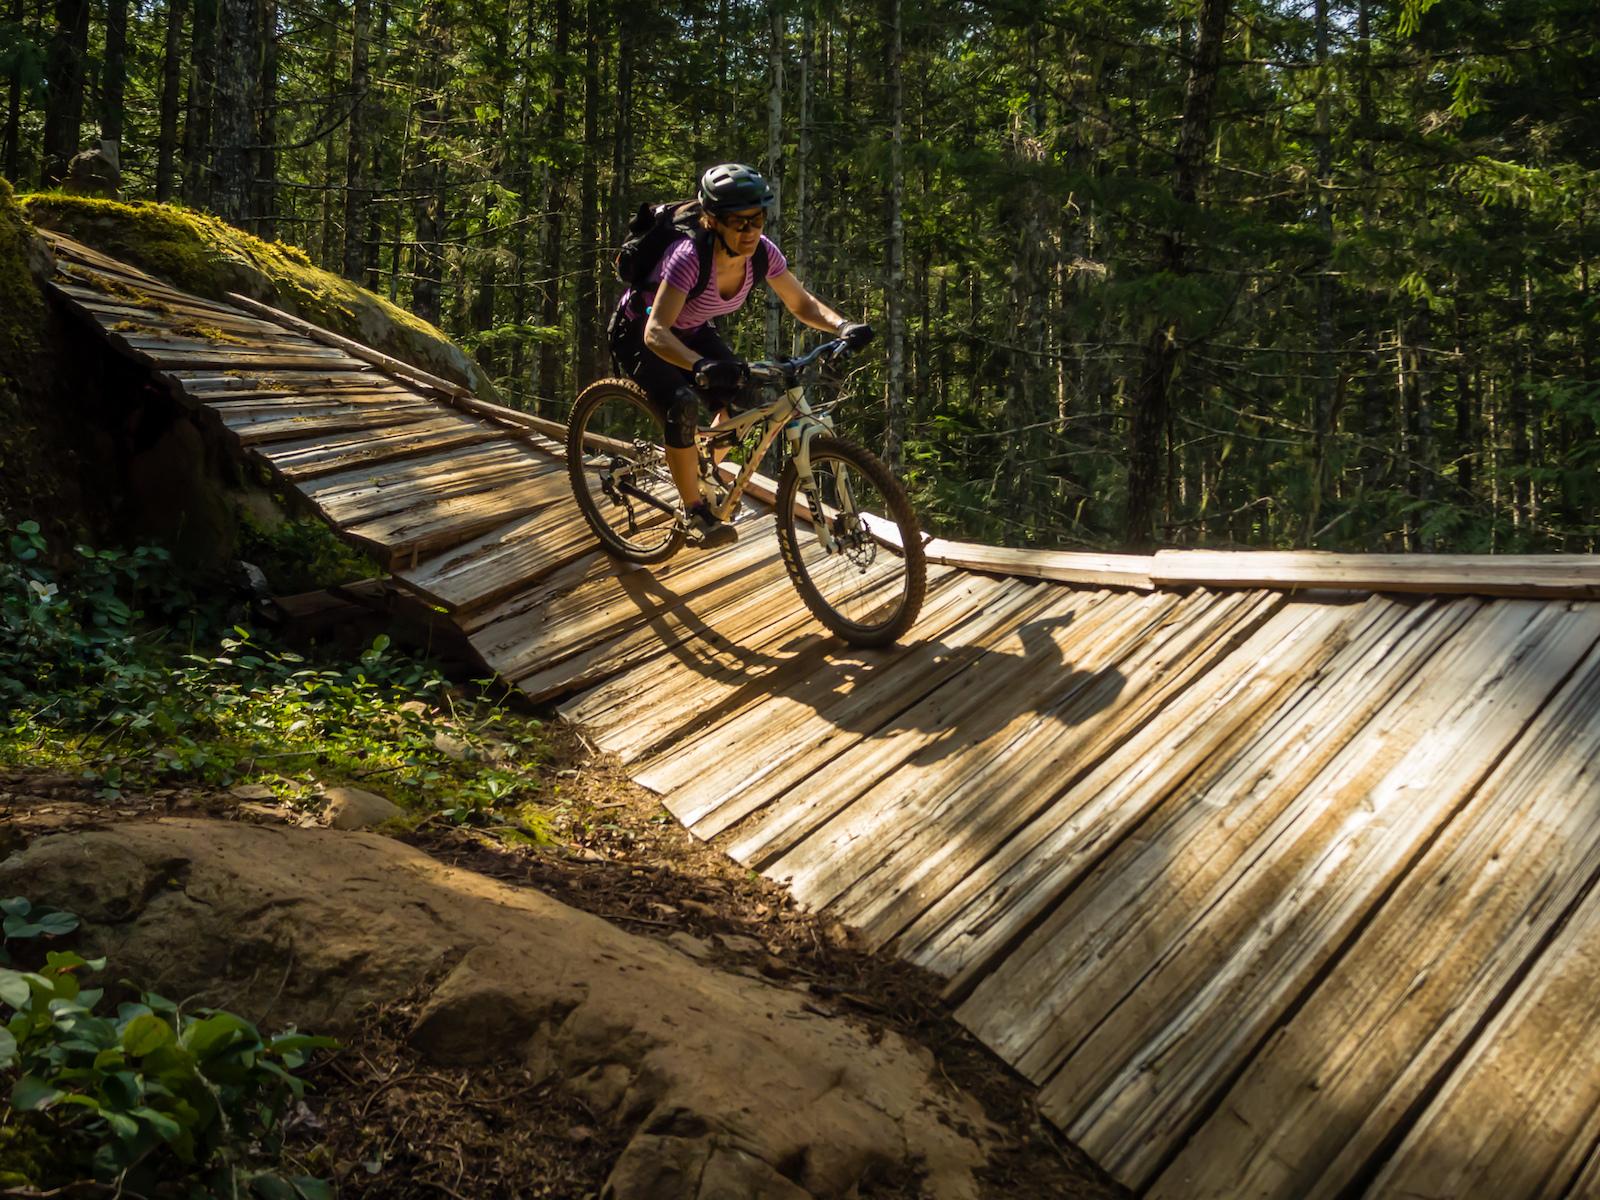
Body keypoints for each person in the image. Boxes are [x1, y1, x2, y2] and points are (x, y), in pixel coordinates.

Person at [609, 162, 872, 549]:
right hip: (640, 331)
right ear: (712, 221)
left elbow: (801, 304)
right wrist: (699, 366)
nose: (750, 231)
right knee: (682, 404)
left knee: (744, 395)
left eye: (758, 219)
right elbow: (656, 332)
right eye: (739, 222)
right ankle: (694, 510)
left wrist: (842, 326)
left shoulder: (762, 254)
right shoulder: (689, 258)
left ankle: (699, 465)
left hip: (693, 331)